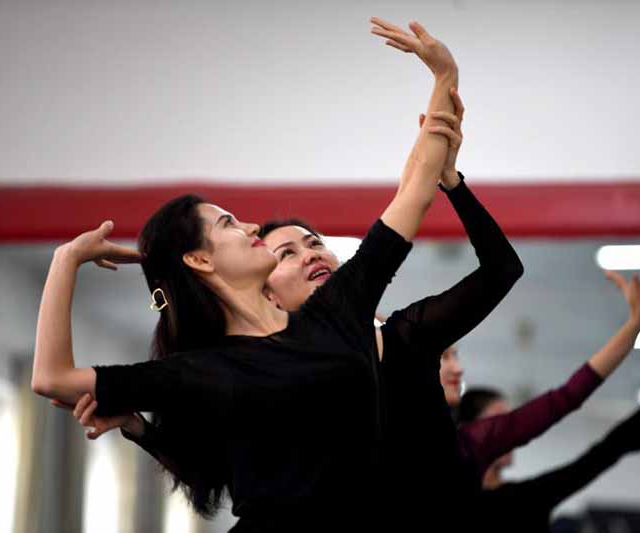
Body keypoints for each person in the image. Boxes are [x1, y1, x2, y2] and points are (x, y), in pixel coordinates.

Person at [32, 18, 459, 532]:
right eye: (229, 224)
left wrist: (444, 77)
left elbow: (416, 186)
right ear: (200, 260)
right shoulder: (199, 370)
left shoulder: (336, 310)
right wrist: (65, 260)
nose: (252, 226)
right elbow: (51, 378)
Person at [458, 343, 640, 533]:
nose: (509, 434)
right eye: (498, 422)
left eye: (509, 422)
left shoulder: (525, 498)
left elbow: (597, 458)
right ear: (474, 430)